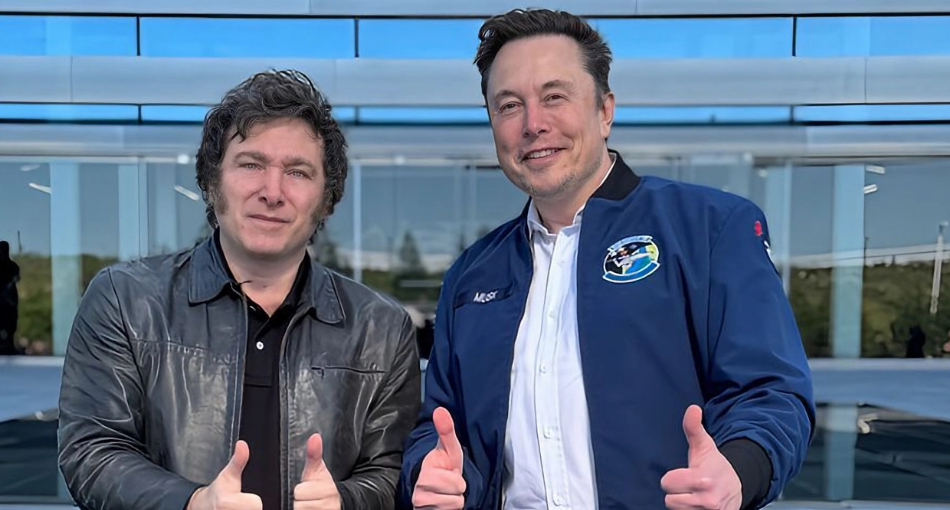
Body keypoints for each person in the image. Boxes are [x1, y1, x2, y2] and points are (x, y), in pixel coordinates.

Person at [400, 9, 815, 510]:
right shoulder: (471, 275)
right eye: (509, 106)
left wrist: (738, 469)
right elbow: (438, 426)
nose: (533, 124)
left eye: (555, 96)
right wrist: (428, 471)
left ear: (604, 111)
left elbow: (772, 394)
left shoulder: (710, 229)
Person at [58, 69, 422, 510]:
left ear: (327, 198)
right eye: (251, 165)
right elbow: (92, 450)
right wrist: (192, 503)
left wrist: (345, 501)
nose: (273, 191)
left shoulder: (381, 328)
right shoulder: (125, 300)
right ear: (213, 181)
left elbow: (393, 470)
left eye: (298, 172)